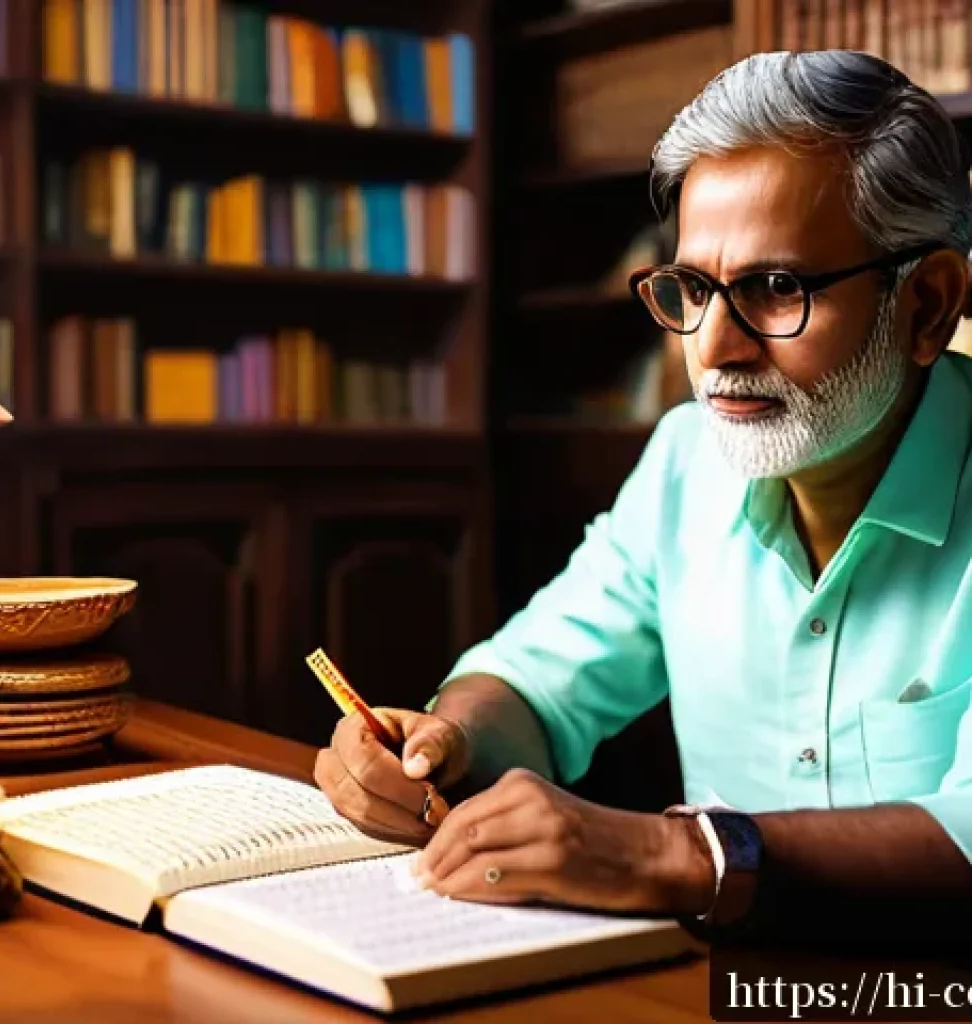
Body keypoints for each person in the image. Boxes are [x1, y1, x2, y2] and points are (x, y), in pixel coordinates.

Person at [315, 50, 972, 944]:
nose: (715, 348)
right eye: (695, 288)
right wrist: (445, 744)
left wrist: (674, 856)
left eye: (778, 289)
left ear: (928, 305)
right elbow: (535, 682)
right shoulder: (685, 463)